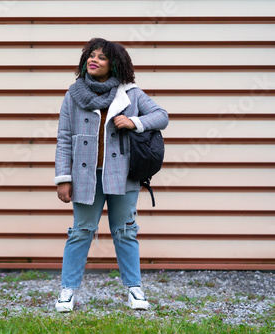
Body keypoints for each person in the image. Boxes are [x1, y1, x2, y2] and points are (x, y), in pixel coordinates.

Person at [54, 37, 169, 312]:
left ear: (114, 64)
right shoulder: (73, 94)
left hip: (123, 176)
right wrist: (63, 178)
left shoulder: (130, 93)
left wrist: (134, 122)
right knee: (80, 232)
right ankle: (67, 291)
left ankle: (134, 290)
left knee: (125, 232)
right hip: (85, 177)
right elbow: (64, 139)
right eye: (91, 56)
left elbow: (162, 115)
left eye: (101, 57)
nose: (94, 60)